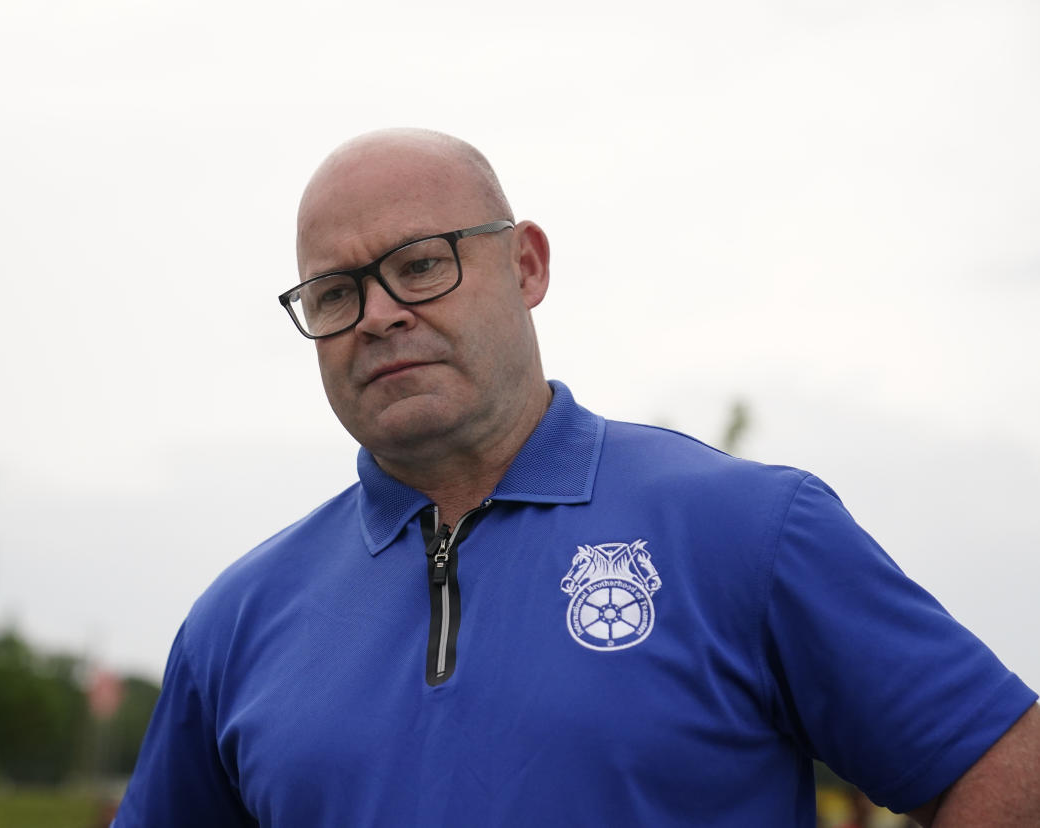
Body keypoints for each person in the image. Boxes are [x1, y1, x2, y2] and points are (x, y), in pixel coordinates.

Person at [114, 129, 1040, 826]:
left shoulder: (748, 531)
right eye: (334, 292)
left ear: (526, 266)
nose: (380, 315)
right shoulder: (235, 625)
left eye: (422, 264)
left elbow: (1001, 766)